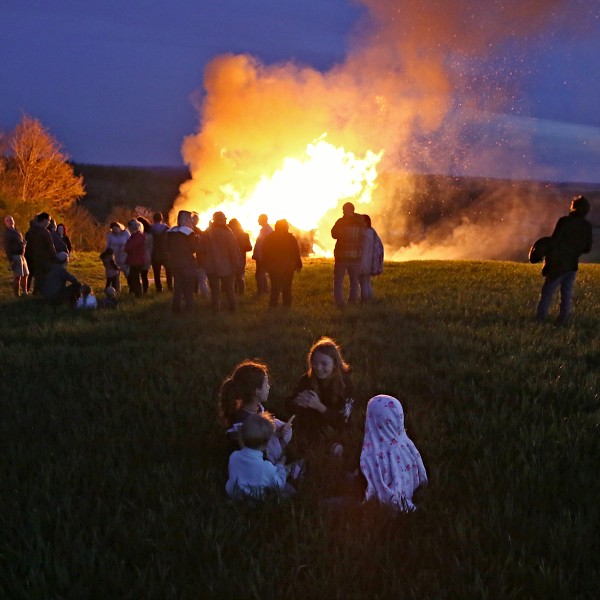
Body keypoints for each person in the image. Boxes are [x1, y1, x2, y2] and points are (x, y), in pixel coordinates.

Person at [284, 337, 354, 456]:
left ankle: (330, 448)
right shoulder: (307, 380)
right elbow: (287, 405)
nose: (318, 368)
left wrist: (320, 407)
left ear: (335, 364)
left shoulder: (345, 384)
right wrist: (296, 401)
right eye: (314, 363)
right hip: (309, 426)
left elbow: (344, 418)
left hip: (332, 426)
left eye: (324, 363)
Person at [360, 395, 428, 512]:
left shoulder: (372, 455)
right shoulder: (405, 443)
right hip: (410, 489)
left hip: (379, 504)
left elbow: (367, 483)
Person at [219, 359, 292, 464]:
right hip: (256, 461)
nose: (269, 387)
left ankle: (279, 455)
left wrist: (275, 433)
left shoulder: (255, 408)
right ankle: (278, 464)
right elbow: (252, 448)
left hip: (261, 443)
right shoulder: (243, 424)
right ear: (256, 391)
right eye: (266, 385)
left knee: (284, 428)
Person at [536, 195, 593, 324]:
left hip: (558, 264)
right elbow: (587, 248)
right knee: (566, 294)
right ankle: (563, 320)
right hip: (572, 264)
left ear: (573, 207)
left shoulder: (564, 221)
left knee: (547, 293)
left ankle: (540, 320)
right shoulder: (587, 226)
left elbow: (554, 242)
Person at [225, 414, 288, 500]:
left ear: (242, 438)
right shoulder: (267, 468)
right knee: (290, 491)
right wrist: (280, 466)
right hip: (255, 501)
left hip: (234, 495)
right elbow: (279, 485)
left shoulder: (234, 456)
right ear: (266, 444)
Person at [203, 211, 244, 313]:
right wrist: (239, 265)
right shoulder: (227, 232)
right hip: (226, 267)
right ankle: (233, 311)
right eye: (224, 219)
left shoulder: (207, 232)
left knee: (215, 292)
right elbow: (234, 250)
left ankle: (215, 312)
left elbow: (201, 249)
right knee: (230, 290)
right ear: (222, 220)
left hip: (211, 266)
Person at [331, 202, 366, 307]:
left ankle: (340, 303)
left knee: (338, 282)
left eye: (343, 210)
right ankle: (353, 302)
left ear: (345, 210)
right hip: (356, 257)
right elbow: (365, 237)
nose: (342, 212)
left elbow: (334, 234)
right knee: (355, 282)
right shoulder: (361, 222)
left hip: (342, 257)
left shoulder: (341, 222)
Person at [261, 219, 303, 308]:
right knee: (287, 287)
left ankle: (273, 306)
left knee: (275, 288)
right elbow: (295, 252)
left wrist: (265, 264)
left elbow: (264, 251)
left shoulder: (269, 238)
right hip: (288, 267)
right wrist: (299, 265)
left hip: (273, 266)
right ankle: (286, 306)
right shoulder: (290, 238)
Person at [167, 210, 200, 314]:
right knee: (188, 289)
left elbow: (167, 248)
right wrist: (197, 241)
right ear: (186, 219)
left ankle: (175, 309)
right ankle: (190, 310)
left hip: (174, 263)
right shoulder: (189, 232)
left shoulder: (170, 232)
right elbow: (193, 249)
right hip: (187, 263)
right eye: (189, 218)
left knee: (178, 288)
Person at [25, 212, 58, 295]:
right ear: (44, 220)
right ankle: (36, 295)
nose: (49, 223)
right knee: (40, 278)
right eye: (49, 220)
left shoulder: (30, 230)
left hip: (29, 257)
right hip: (42, 259)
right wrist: (55, 258)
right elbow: (51, 247)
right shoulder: (44, 232)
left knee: (29, 276)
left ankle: (25, 292)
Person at [358, 214, 384, 303]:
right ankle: (369, 299)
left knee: (362, 283)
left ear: (365, 222)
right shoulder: (372, 232)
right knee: (366, 282)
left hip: (362, 260)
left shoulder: (363, 233)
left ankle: (364, 301)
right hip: (370, 261)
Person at [3, 215, 29, 297]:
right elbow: (6, 247)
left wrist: (24, 243)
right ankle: (17, 295)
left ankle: (25, 292)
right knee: (17, 276)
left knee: (25, 274)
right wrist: (11, 260)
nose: (10, 221)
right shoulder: (7, 233)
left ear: (13, 220)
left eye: (11, 219)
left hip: (22, 255)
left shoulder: (17, 230)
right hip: (15, 256)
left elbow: (21, 240)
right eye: (7, 220)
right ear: (5, 223)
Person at [228, 218, 252, 295]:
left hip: (231, 259)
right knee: (240, 277)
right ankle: (241, 294)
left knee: (233, 277)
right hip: (241, 259)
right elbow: (249, 248)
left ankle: (234, 293)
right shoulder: (245, 235)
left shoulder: (229, 235)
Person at [150, 212, 172, 292]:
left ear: (153, 219)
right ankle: (170, 287)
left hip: (155, 253)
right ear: (161, 219)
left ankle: (159, 288)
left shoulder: (150, 228)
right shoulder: (166, 228)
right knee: (168, 271)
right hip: (165, 253)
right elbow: (170, 240)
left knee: (156, 273)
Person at [124, 219, 146, 297]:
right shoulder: (136, 236)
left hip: (137, 260)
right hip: (135, 260)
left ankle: (138, 294)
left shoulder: (138, 236)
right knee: (132, 278)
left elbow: (129, 248)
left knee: (133, 278)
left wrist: (127, 246)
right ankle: (136, 293)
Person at [252, 213, 273, 295]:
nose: (258, 221)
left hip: (263, 256)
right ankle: (264, 290)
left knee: (259, 274)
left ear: (263, 220)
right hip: (262, 255)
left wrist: (259, 255)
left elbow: (261, 244)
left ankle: (262, 291)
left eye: (259, 219)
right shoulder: (266, 229)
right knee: (261, 274)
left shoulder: (266, 230)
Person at [106, 222, 130, 291]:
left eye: (116, 229)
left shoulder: (125, 233)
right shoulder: (110, 235)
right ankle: (117, 290)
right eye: (113, 229)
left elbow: (130, 242)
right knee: (116, 276)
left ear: (119, 227)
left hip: (124, 256)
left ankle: (131, 288)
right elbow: (108, 245)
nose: (115, 231)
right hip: (114, 257)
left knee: (127, 274)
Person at [137, 217, 154, 294]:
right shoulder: (150, 235)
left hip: (139, 256)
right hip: (148, 256)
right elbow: (151, 247)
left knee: (137, 274)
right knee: (144, 275)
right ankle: (145, 290)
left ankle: (138, 290)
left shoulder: (138, 235)